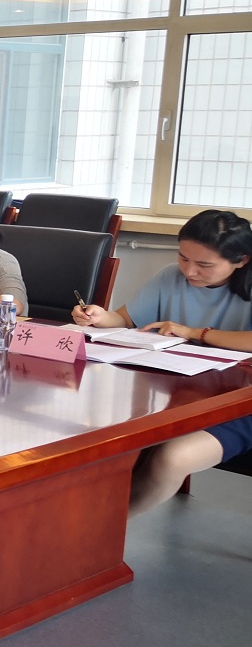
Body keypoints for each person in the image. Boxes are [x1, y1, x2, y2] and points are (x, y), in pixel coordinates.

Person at [73, 210, 252, 516]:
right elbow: (125, 319)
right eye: (183, 258)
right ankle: (83, 522)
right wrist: (100, 317)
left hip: (240, 405)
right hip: (181, 396)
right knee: (99, 433)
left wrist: (195, 333)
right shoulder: (170, 276)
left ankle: (101, 531)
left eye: (204, 265)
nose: (190, 271)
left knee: (172, 458)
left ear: (241, 260)